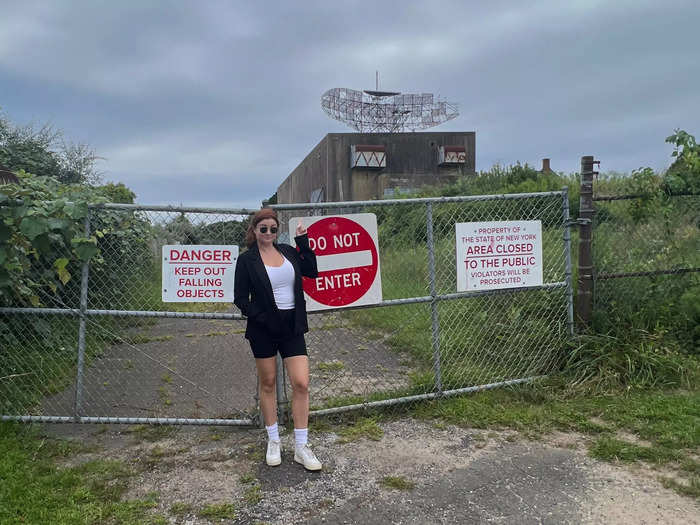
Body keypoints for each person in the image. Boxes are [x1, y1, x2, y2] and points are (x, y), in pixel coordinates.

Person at [233, 208, 322, 471]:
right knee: (269, 383)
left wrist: (303, 241)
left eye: (273, 229)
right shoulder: (246, 260)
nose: (269, 233)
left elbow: (311, 271)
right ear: (254, 230)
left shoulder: (288, 251)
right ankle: (273, 440)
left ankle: (301, 446)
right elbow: (240, 299)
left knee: (301, 383)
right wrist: (261, 316)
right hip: (263, 329)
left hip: (292, 325)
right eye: (264, 229)